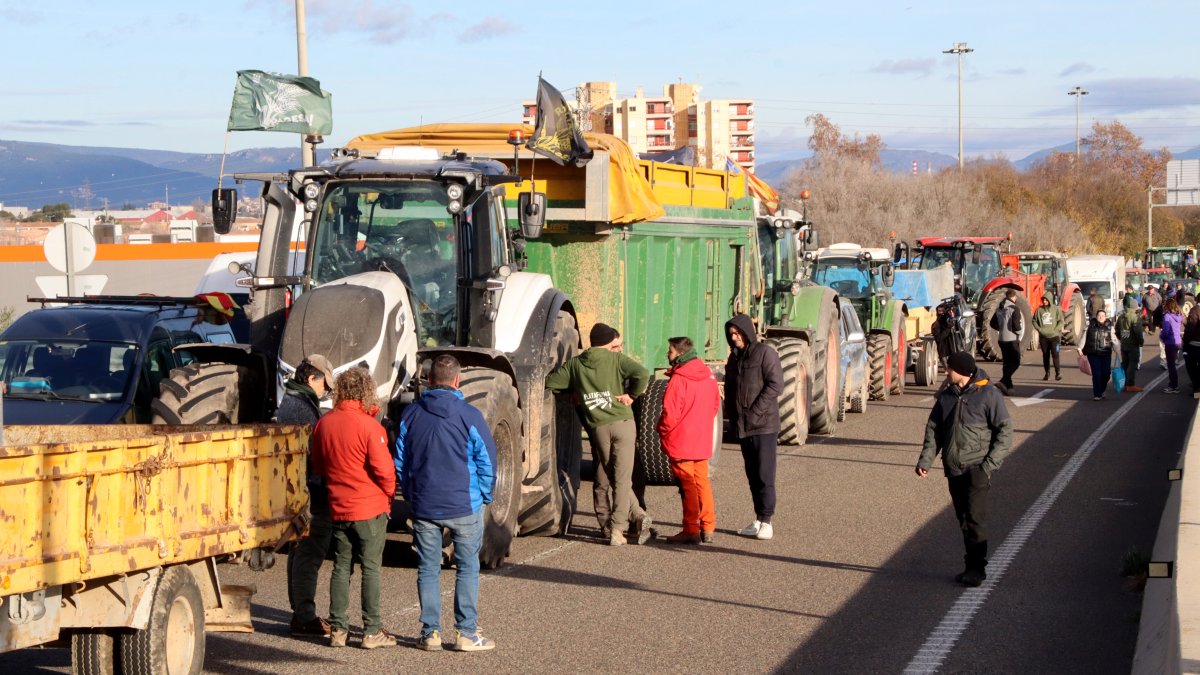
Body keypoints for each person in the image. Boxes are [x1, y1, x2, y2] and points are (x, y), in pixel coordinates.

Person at [395, 354, 497, 652]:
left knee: (428, 569)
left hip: (424, 505)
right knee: (467, 568)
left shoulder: (411, 415)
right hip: (464, 506)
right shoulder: (470, 415)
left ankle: (431, 634)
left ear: (429, 380)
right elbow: (487, 462)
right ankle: (466, 633)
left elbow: (401, 463)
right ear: (457, 380)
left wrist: (411, 494)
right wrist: (485, 496)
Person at [310, 367, 397, 649]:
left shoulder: (324, 424)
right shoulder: (370, 427)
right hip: (369, 507)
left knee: (341, 566)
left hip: (338, 505)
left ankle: (338, 629)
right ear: (365, 392)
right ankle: (371, 630)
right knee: (370, 568)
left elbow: (319, 466)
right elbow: (385, 471)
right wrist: (388, 496)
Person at [546, 322, 651, 546]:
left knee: (613, 476)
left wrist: (578, 390)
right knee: (622, 480)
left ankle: (639, 516)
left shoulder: (575, 364)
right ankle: (618, 529)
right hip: (623, 422)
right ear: (607, 342)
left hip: (598, 427)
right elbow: (642, 373)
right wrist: (631, 395)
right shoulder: (615, 360)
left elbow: (552, 383)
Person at [916, 351, 1013, 588]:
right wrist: (926, 460)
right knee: (963, 520)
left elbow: (1005, 432)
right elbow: (934, 429)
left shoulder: (989, 395)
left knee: (974, 519)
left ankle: (976, 569)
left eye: (950, 368)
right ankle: (971, 565)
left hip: (977, 468)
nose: (946, 372)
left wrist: (988, 466)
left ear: (962, 371)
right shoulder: (946, 396)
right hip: (954, 468)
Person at [276, 355, 337, 638]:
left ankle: (300, 611)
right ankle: (304, 615)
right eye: (325, 383)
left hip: (295, 488)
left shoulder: (292, 401)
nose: (328, 390)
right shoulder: (302, 408)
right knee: (309, 552)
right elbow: (313, 456)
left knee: (298, 551)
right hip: (308, 492)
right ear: (312, 378)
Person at [724, 313, 783, 541]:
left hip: (764, 425)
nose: (734, 336)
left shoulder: (765, 353)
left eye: (737, 332)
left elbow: (776, 385)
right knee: (752, 476)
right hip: (743, 426)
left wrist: (756, 411)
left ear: (747, 332)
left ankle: (767, 521)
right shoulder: (734, 359)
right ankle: (758, 518)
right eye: (731, 334)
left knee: (764, 474)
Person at [657, 336, 721, 545]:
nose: (668, 354)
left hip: (682, 439)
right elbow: (714, 406)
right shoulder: (708, 375)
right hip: (701, 437)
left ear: (680, 353)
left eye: (671, 351)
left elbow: (670, 413)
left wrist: (663, 431)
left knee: (687, 484)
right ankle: (708, 526)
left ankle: (691, 528)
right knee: (701, 481)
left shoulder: (679, 378)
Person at [989, 289, 1023, 393]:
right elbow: (1017, 325)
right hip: (1012, 339)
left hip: (1002, 339)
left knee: (1007, 363)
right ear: (1014, 297)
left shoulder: (1000, 308)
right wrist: (1018, 332)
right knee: (1016, 362)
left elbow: (992, 323)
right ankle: (1004, 381)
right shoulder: (1014, 308)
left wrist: (1001, 328)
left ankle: (1009, 387)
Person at [1082, 309, 1117, 400]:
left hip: (1105, 354)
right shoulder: (1090, 326)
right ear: (1096, 316)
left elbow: (1114, 339)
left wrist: (1117, 348)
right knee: (1097, 374)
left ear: (1105, 317)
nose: (1101, 317)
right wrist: (1079, 348)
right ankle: (1097, 394)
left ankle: (1102, 390)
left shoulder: (1110, 327)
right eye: (1099, 315)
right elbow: (1084, 338)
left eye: (1102, 315)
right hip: (1093, 354)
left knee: (1106, 374)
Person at [1032, 293, 1064, 381]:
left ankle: (1058, 373)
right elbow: (1034, 320)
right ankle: (1047, 373)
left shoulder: (1056, 309)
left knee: (1055, 355)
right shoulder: (1039, 310)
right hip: (1043, 337)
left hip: (1055, 337)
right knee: (1046, 355)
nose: (1045, 302)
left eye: (1046, 300)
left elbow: (1061, 320)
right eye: (1044, 300)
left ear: (1050, 300)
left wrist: (1056, 329)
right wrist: (1039, 329)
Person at [1116, 298, 1145, 393]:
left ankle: (1124, 384)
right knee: (1133, 364)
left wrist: (1122, 338)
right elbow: (1138, 332)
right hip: (1133, 345)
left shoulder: (1121, 317)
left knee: (1125, 364)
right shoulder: (1135, 317)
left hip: (1124, 344)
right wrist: (1141, 341)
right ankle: (1130, 384)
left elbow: (1117, 330)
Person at [1162, 298, 1184, 394]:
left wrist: (1162, 337)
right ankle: (1174, 385)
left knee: (1171, 366)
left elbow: (1165, 331)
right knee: (1173, 365)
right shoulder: (1178, 315)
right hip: (1178, 341)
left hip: (1170, 342)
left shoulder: (1167, 316)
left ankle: (1173, 386)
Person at [1183, 300, 1200, 394]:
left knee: (1191, 367)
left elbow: (1190, 327)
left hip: (1194, 343)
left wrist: (1185, 341)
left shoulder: (1195, 310)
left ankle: (1197, 390)